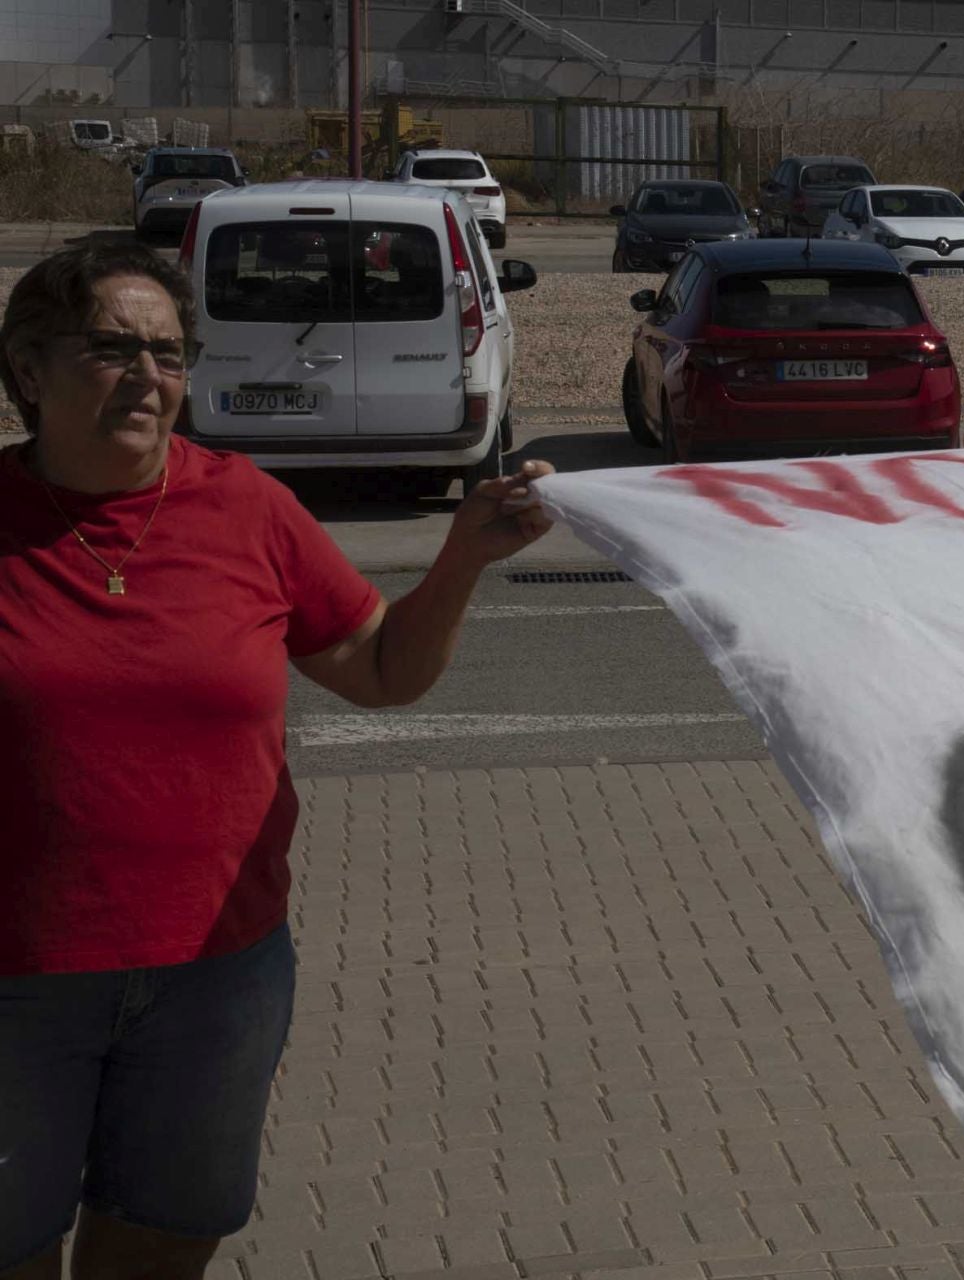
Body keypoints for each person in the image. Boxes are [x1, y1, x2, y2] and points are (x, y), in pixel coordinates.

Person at [0, 242, 557, 1280]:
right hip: (18, 978)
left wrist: (463, 556)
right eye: (112, 347)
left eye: (170, 352)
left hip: (216, 973)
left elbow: (382, 668)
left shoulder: (245, 506)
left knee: (166, 1238)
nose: (148, 375)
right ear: (29, 369)